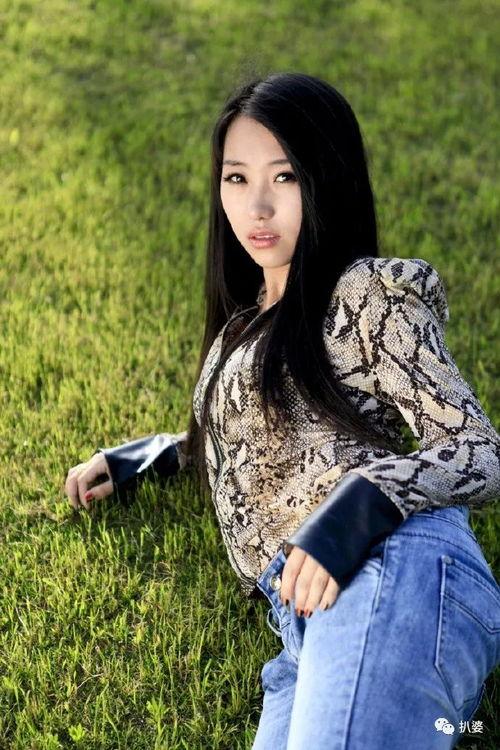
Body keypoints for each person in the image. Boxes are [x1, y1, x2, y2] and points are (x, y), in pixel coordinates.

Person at [64, 72, 500, 748]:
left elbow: (479, 450)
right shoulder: (245, 324)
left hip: (390, 566)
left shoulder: (363, 295)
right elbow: (256, 437)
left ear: (327, 179)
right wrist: (153, 456)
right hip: (298, 623)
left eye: (285, 177)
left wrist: (357, 508)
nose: (257, 207)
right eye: (237, 179)